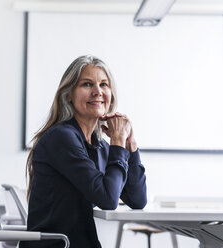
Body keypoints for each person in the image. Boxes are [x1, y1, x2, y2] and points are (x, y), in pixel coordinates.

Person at [19, 55, 147, 248]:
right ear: (68, 94)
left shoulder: (98, 146)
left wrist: (131, 146)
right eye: (87, 84)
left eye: (104, 84)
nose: (98, 92)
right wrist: (118, 142)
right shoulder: (61, 137)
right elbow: (108, 199)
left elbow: (137, 200)